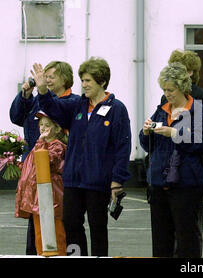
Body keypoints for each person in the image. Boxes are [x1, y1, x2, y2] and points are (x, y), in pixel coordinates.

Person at [34, 57, 132, 256]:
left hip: (98, 181)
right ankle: (76, 258)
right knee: (71, 224)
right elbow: (52, 109)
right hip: (73, 179)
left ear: (102, 81)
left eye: (88, 81)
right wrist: (43, 90)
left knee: (97, 227)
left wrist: (117, 180)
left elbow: (123, 147)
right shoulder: (77, 105)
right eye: (83, 80)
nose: (84, 85)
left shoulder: (117, 109)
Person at [139, 62, 203, 258]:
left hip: (187, 184)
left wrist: (175, 133)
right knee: (161, 239)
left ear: (182, 88)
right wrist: (145, 133)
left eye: (170, 89)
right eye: (164, 89)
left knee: (187, 237)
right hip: (159, 183)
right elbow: (147, 146)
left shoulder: (199, 110)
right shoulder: (161, 110)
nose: (167, 93)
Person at [9, 61, 79, 255]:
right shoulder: (39, 101)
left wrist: (41, 92)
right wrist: (24, 95)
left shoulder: (72, 101)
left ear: (64, 79)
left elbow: (56, 108)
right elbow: (16, 116)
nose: (45, 80)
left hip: (57, 173)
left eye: (50, 76)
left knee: (58, 224)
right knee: (36, 224)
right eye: (44, 76)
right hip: (35, 171)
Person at [15, 111, 67, 256]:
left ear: (57, 129)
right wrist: (15, 163)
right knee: (40, 236)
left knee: (55, 236)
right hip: (37, 198)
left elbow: (46, 160)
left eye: (47, 125)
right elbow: (32, 167)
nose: (43, 128)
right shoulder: (41, 144)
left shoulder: (57, 146)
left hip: (51, 198)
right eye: (41, 125)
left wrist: (41, 142)